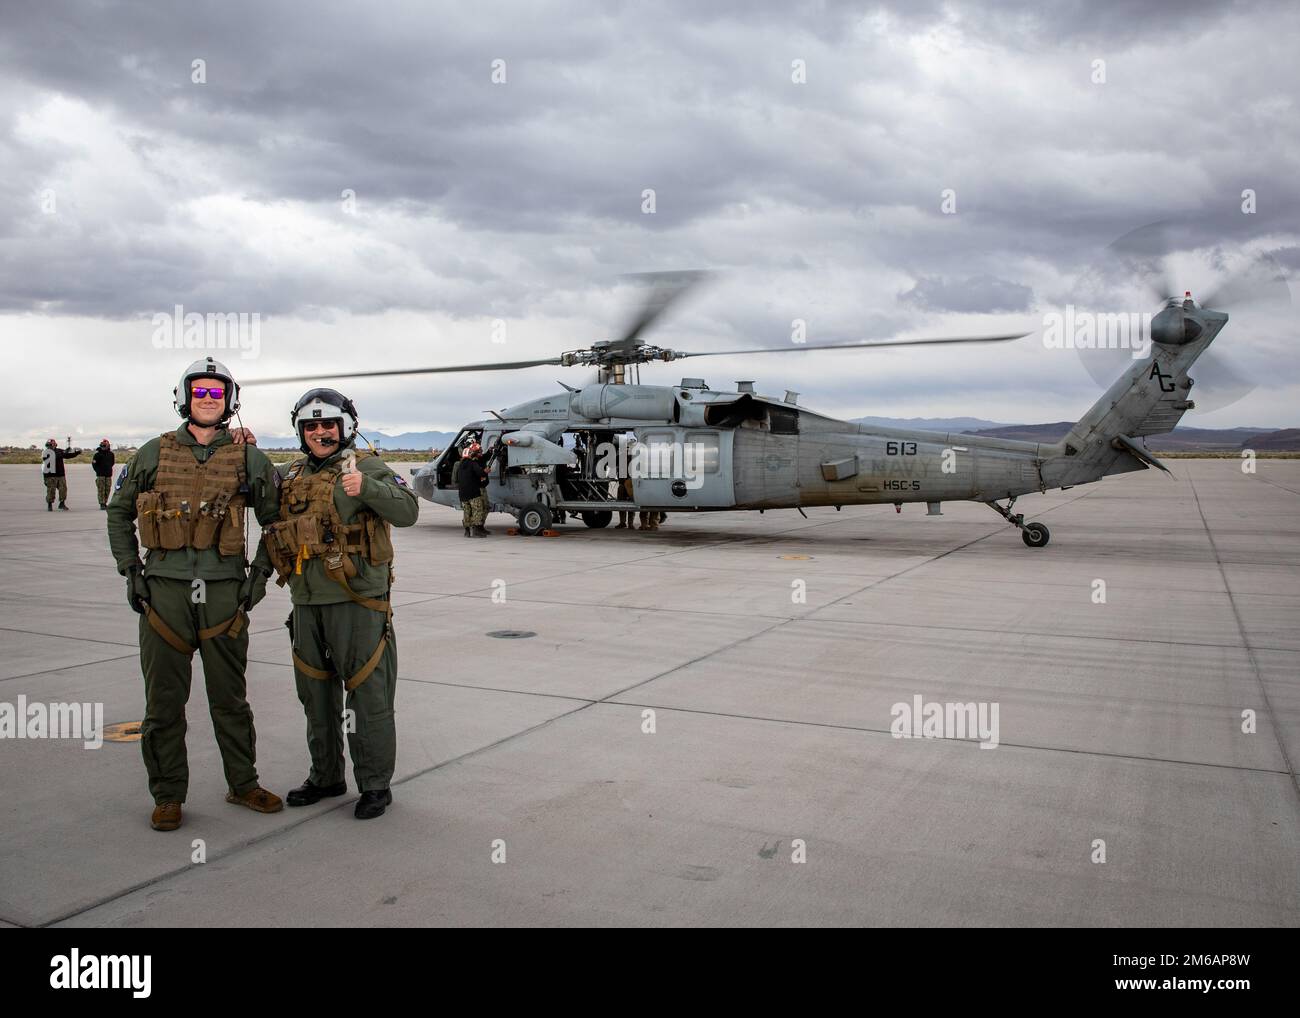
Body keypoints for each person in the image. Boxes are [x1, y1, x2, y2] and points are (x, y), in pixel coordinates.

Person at [106, 357, 283, 832]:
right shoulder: (152, 453)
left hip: (225, 593)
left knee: (230, 700)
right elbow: (118, 513)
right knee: (163, 704)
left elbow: (276, 522)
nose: (208, 400)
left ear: (229, 401)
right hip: (164, 594)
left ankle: (242, 783)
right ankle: (167, 795)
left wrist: (259, 577)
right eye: (200, 393)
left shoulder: (249, 459)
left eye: (216, 393)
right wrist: (131, 571)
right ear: (185, 398)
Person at [263, 389, 419, 820]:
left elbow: (408, 511)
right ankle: (326, 776)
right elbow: (271, 522)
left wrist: (366, 487)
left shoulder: (365, 466)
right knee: (315, 695)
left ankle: (374, 785)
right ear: (300, 432)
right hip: (307, 601)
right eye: (310, 426)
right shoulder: (291, 474)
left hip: (358, 603)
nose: (320, 433)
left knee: (368, 696)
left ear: (345, 427)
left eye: (327, 425)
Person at [457, 442, 490, 538]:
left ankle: (467, 531)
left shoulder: (459, 465)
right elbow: (481, 473)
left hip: (462, 493)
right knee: (477, 510)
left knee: (467, 511)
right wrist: (485, 472)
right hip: (473, 492)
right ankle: (476, 530)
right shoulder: (472, 463)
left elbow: (456, 479)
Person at [42, 438, 81, 510]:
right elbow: (52, 458)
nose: (50, 446)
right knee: (51, 490)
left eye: (52, 444)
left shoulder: (59, 451)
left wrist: (76, 453)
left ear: (55, 445)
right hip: (50, 475)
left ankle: (62, 504)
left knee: (63, 489)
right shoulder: (45, 452)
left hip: (60, 474)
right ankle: (49, 505)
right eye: (49, 445)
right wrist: (63, 453)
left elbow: (67, 455)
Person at [91, 439, 115, 510]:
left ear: (108, 445)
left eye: (104, 445)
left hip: (108, 475)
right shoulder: (97, 455)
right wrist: (98, 471)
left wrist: (108, 469)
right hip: (100, 475)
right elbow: (94, 464)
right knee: (101, 489)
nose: (103, 446)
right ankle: (102, 503)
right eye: (102, 445)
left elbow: (112, 463)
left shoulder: (111, 454)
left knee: (107, 489)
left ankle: (105, 502)